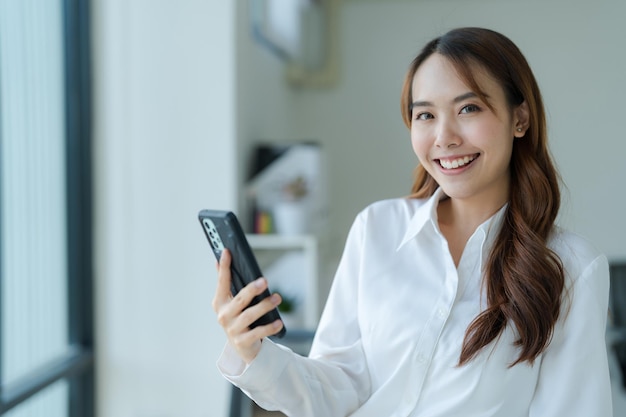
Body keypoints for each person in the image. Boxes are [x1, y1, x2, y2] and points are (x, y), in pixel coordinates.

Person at [212, 27, 612, 416]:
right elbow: (337, 388)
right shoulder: (377, 228)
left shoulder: (571, 267)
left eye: (468, 108)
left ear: (520, 118)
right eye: (425, 115)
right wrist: (252, 351)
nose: (444, 136)